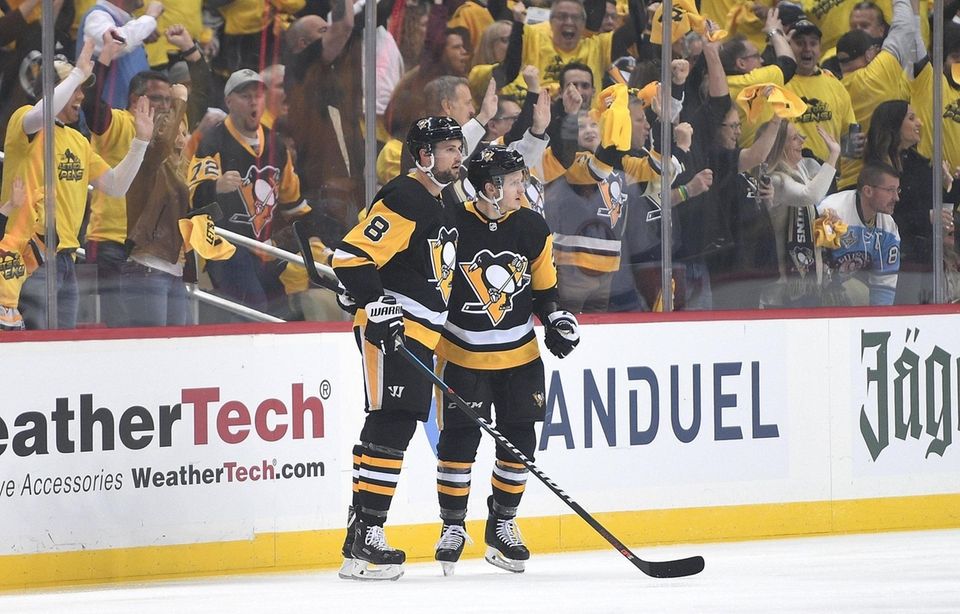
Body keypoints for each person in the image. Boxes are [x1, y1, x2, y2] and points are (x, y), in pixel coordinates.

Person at [432, 145, 579, 576]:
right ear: (491, 188)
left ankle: (502, 524)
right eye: (514, 181)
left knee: (519, 441)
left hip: (520, 357)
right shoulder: (451, 225)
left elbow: (545, 293)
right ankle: (453, 526)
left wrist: (556, 320)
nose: (522, 187)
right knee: (458, 442)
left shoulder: (533, 227)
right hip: (462, 354)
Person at [332, 116, 464, 581]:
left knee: (386, 423)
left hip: (419, 331)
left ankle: (357, 540)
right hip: (395, 328)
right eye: (449, 149)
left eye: (458, 147)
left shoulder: (438, 200)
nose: (457, 157)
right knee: (392, 422)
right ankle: (369, 534)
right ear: (424, 156)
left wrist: (359, 291)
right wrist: (372, 301)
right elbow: (350, 255)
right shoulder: (406, 196)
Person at [9, 42, 154, 329]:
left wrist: (140, 142)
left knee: (63, 350)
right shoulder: (24, 122)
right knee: (36, 348)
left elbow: (115, 186)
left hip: (66, 258)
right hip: (29, 255)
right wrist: (77, 73)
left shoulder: (78, 140)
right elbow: (41, 114)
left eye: (81, 88)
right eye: (74, 88)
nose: (81, 96)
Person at [84, 25, 208, 327]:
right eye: (156, 98)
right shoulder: (120, 122)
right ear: (134, 100)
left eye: (168, 99)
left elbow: (204, 96)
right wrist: (104, 60)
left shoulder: (171, 132)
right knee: (122, 336)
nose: (165, 105)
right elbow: (92, 106)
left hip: (157, 248)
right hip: (113, 242)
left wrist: (191, 49)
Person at [186, 68, 307, 319]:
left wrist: (287, 242)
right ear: (229, 101)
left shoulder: (276, 144)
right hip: (225, 248)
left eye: (258, 95)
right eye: (245, 96)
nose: (253, 101)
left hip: (266, 250)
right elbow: (193, 200)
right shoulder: (213, 142)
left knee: (284, 316)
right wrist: (215, 187)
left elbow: (294, 206)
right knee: (255, 309)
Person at [864, 100, 959, 304]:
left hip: (925, 258)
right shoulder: (876, 169)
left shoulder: (919, 164)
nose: (919, 123)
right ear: (894, 124)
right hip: (897, 262)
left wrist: (953, 185)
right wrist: (928, 217)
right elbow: (884, 219)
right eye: (911, 118)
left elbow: (939, 209)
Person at [761, 121, 840, 308]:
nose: (801, 142)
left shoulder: (802, 172)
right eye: (794, 138)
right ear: (778, 145)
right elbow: (809, 195)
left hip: (811, 282)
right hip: (782, 293)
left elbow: (813, 198)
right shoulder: (776, 179)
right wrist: (834, 154)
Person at [817, 162, 901, 306]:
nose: (896, 198)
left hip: (840, 284)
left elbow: (884, 286)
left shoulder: (889, 228)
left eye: (898, 190)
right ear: (868, 191)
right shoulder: (830, 211)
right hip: (811, 291)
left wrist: (879, 322)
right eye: (890, 190)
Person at [77, 0, 164, 108]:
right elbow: (114, 42)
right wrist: (150, 18)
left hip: (131, 118)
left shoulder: (126, 21)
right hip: (105, 119)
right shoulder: (96, 16)